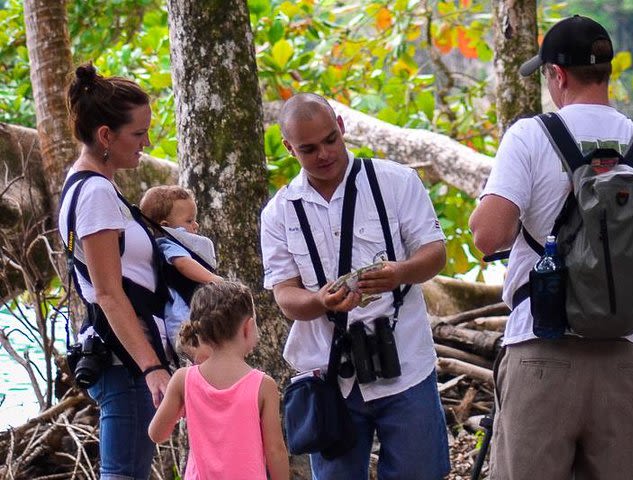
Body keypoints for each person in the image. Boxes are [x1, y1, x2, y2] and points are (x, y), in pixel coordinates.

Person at [468, 15, 633, 480]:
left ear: (556, 75)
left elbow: (489, 235)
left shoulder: (529, 137)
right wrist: (630, 240)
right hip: (624, 360)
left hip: (540, 351)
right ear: (606, 72)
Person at [260, 93, 451, 479]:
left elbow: (435, 253)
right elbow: (285, 296)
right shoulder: (280, 212)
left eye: (331, 139)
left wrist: (400, 272)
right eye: (309, 148)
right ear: (288, 148)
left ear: (342, 127)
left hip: (405, 362)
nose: (325, 154)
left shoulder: (394, 181)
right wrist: (319, 300)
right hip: (331, 375)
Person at [59, 63, 171, 479]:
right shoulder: (96, 195)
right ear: (105, 136)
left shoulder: (88, 186)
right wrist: (151, 366)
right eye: (138, 134)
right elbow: (107, 292)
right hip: (126, 365)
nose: (146, 143)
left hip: (124, 360)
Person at [148, 281, 290, 480]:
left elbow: (157, 434)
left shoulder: (184, 380)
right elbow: (275, 450)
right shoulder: (263, 385)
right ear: (248, 328)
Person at [139, 185, 223, 346]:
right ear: (166, 225)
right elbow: (183, 263)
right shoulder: (167, 243)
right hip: (178, 310)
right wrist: (212, 278)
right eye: (189, 221)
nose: (196, 225)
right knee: (189, 339)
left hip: (184, 310)